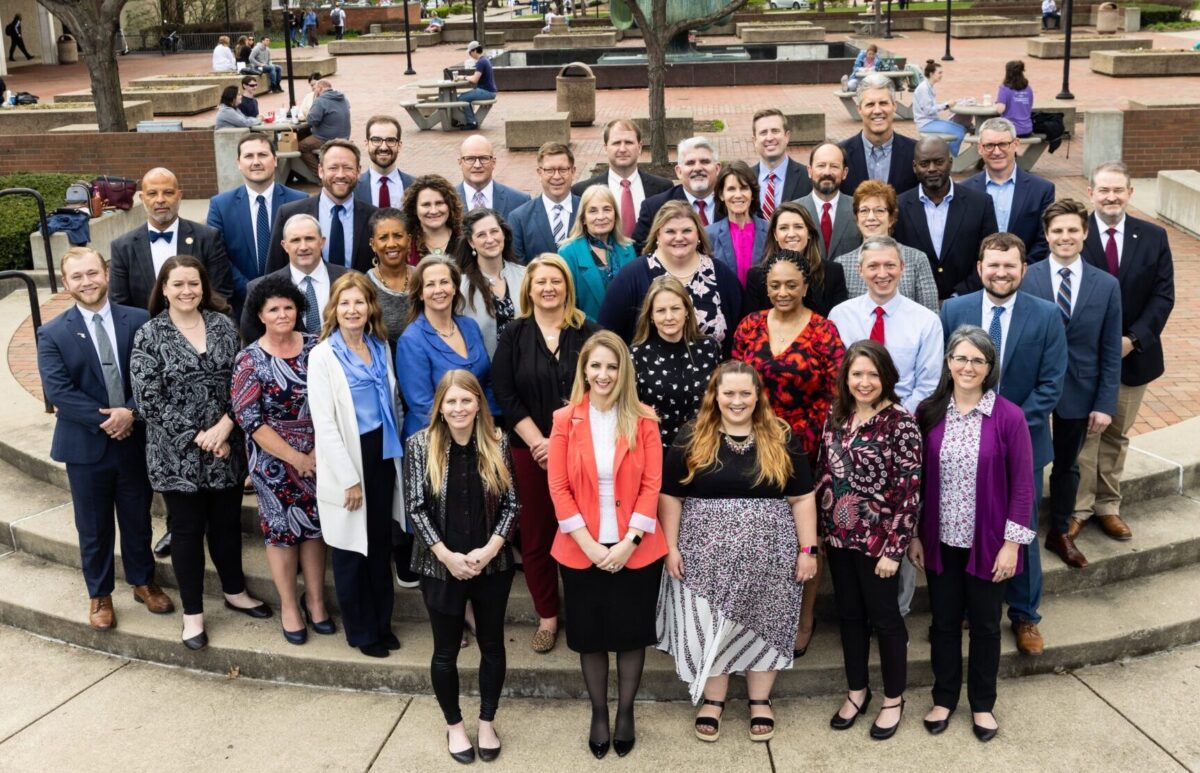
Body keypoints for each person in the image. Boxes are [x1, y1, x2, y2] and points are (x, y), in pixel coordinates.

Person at [658, 360, 819, 739]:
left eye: (745, 393)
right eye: (728, 393)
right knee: (711, 624)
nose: (736, 400)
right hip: (702, 558)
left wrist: (807, 550)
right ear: (714, 396)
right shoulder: (691, 436)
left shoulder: (779, 436)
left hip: (772, 558)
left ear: (758, 396)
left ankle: (759, 700)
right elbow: (671, 497)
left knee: (767, 624)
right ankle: (713, 699)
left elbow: (802, 498)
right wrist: (670, 548)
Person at [131, 256, 270, 651]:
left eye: (193, 283)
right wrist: (200, 436)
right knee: (188, 532)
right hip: (176, 456)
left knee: (226, 526)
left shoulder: (224, 326)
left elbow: (243, 381)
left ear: (204, 286)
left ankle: (235, 591)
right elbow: (148, 401)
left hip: (227, 447)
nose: (187, 291)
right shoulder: (149, 335)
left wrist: (227, 426)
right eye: (178, 285)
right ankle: (193, 615)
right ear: (165, 289)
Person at [940, 232, 1066, 656]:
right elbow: (946, 374)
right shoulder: (954, 310)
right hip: (960, 443)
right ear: (980, 268)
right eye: (993, 265)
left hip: (1023, 442)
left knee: (1020, 528)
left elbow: (1051, 384)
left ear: (1023, 270)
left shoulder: (1047, 315)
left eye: (1010, 265)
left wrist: (1005, 427)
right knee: (966, 523)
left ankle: (1025, 614)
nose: (1001, 272)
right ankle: (970, 607)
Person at [36, 247, 174, 630]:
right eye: (77, 276)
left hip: (135, 439)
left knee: (137, 518)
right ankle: (99, 594)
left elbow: (154, 373)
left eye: (92, 273)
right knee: (93, 526)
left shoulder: (138, 319)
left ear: (106, 274)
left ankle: (143, 581)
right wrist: (109, 420)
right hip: (86, 447)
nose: (87, 282)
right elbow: (59, 391)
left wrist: (130, 411)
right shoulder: (52, 332)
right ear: (66, 283)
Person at [910, 325, 1036, 742]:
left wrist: (1012, 545)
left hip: (989, 545)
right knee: (943, 623)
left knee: (984, 625)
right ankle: (944, 698)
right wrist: (913, 534)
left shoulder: (1009, 417)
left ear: (989, 368)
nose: (967, 366)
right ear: (948, 362)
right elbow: (915, 482)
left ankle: (982, 704)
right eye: (960, 358)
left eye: (977, 360)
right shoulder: (928, 412)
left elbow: (1022, 486)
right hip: (941, 541)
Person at [548, 331, 666, 759]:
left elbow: (653, 483)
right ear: (584, 370)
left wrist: (629, 542)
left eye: (612, 367)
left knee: (631, 635)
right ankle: (599, 712)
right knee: (590, 636)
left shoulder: (644, 418)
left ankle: (626, 713)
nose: (603, 374)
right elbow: (558, 487)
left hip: (635, 547)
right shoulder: (565, 419)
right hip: (582, 547)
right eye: (595, 366)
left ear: (623, 372)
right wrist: (590, 545)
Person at [405, 370, 518, 764]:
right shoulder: (420, 446)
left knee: (492, 646)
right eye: (451, 401)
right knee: (445, 651)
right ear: (440, 406)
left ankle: (487, 721)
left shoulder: (497, 443)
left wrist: (489, 551)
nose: (459, 408)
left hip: (492, 563)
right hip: (440, 567)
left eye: (466, 400)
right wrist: (447, 556)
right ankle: (454, 725)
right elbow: (415, 509)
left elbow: (512, 505)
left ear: (478, 404)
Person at [492, 254, 601, 652]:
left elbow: (602, 389)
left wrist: (561, 442)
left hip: (582, 450)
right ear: (529, 288)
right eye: (541, 282)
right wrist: (539, 441)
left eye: (556, 281)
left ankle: (586, 612)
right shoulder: (514, 334)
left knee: (583, 531)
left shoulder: (588, 331)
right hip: (528, 450)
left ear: (567, 286)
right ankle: (547, 617)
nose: (549, 288)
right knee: (537, 535)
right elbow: (505, 393)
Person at [818, 340, 922, 740]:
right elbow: (824, 472)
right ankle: (857, 691)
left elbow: (909, 492)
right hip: (840, 539)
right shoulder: (837, 414)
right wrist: (820, 531)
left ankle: (893, 699)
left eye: (872, 375)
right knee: (849, 617)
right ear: (846, 376)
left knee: (885, 619)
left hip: (879, 544)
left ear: (886, 378)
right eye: (856, 374)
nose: (864, 382)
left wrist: (894, 551)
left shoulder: (901, 422)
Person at [1075, 161, 1175, 542]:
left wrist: (1132, 340)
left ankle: (1108, 506)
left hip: (1134, 356)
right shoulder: (1075, 232)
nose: (1111, 197)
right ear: (1092, 192)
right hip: (1083, 358)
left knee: (1116, 432)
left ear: (1130, 193)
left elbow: (1163, 296)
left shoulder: (1153, 236)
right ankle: (1080, 507)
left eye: (1118, 190)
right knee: (1085, 432)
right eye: (1104, 190)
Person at [308, 272, 405, 658]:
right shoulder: (323, 355)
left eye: (359, 302)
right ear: (334, 308)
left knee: (380, 543)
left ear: (370, 308)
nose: (352, 310)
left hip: (383, 452)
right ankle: (362, 632)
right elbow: (325, 422)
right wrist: (349, 479)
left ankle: (383, 623)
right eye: (344, 303)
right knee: (351, 549)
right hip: (348, 457)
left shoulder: (380, 345)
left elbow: (394, 401)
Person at [232, 275, 333, 645]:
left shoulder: (316, 347)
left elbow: (334, 402)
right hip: (272, 462)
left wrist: (316, 454)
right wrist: (294, 457)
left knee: (315, 528)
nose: (282, 314)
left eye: (288, 307)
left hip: (320, 455)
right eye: (273, 308)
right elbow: (249, 419)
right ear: (260, 314)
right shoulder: (249, 358)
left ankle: (317, 601)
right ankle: (290, 606)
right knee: (282, 533)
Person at [1022, 199, 1122, 568]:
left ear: (1085, 233)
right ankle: (1022, 528)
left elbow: (1110, 349)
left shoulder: (1106, 284)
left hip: (1081, 391)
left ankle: (1060, 530)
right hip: (1031, 389)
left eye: (1072, 230)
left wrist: (1105, 402)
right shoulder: (1027, 277)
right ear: (1047, 236)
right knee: (1027, 461)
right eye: (1057, 231)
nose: (1065, 237)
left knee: (1068, 465)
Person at [600, 200, 742, 351]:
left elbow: (740, 335)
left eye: (687, 231)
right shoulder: (631, 277)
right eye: (670, 231)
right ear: (658, 236)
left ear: (699, 234)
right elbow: (608, 337)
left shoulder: (721, 274)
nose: (679, 237)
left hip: (714, 372)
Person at [828, 236, 942, 416]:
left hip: (904, 421)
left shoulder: (926, 321)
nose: (882, 274)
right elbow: (834, 375)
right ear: (860, 270)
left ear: (902, 268)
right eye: (873, 266)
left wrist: (896, 419)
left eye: (890, 265)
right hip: (850, 418)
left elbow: (928, 384)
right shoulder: (839, 316)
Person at [397, 256, 498, 440]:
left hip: (479, 434)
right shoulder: (411, 340)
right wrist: (463, 433)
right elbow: (422, 404)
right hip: (434, 439)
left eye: (444, 282)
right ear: (420, 293)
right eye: (430, 284)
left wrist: (485, 424)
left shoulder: (470, 326)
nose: (438, 290)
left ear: (454, 288)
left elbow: (488, 382)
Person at [206, 132, 308, 314]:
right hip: (240, 305)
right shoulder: (220, 206)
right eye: (248, 156)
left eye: (262, 155)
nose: (256, 162)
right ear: (238, 163)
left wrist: (280, 292)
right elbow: (218, 258)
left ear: (275, 160)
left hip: (290, 303)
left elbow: (305, 250)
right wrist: (252, 292)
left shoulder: (299, 201)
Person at [109, 168, 234, 313]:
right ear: (142, 198)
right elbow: (120, 305)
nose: (160, 200)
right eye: (152, 193)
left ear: (179, 196)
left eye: (168, 192)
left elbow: (220, 293)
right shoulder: (123, 247)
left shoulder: (208, 238)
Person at [894, 137, 999, 300]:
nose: (932, 169)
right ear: (914, 167)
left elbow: (989, 256)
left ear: (950, 162)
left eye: (938, 162)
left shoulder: (980, 203)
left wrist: (959, 296)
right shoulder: (898, 206)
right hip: (914, 304)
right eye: (924, 164)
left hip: (966, 301)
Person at [630, 275, 721, 446]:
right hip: (656, 450)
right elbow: (630, 411)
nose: (669, 317)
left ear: (687, 310)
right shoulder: (636, 355)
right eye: (661, 310)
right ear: (650, 315)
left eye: (675, 308)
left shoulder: (709, 348)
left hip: (703, 447)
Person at [266, 139, 379, 274]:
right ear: (320, 170)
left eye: (348, 167)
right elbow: (274, 273)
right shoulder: (289, 214)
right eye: (333, 168)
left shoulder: (375, 217)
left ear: (358, 171)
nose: (340, 174)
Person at [960, 117, 1057, 264]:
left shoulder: (1042, 190)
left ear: (1016, 144)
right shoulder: (964, 190)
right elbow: (962, 239)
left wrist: (1021, 270)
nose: (997, 152)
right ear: (980, 148)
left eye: (1003, 144)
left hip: (1026, 275)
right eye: (989, 145)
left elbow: (1044, 239)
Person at [834, 180, 939, 312]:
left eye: (879, 210)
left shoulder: (917, 259)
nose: (871, 217)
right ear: (857, 218)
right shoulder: (841, 264)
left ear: (891, 219)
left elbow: (931, 313)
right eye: (864, 211)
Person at [242, 214, 351, 342]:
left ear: (322, 242)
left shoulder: (350, 278)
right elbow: (251, 339)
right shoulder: (258, 287)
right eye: (295, 240)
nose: (303, 247)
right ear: (284, 246)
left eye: (309, 238)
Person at [743, 201, 849, 318]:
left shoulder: (833, 272)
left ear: (809, 232)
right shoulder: (756, 276)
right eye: (784, 228)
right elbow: (752, 325)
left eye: (798, 227)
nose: (791, 234)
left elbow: (840, 320)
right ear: (775, 235)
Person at [571, 119, 673, 239]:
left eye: (629, 142)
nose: (623, 149)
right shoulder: (581, 191)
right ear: (606, 148)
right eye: (616, 143)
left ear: (639, 147)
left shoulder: (663, 189)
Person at [558, 184, 638, 322]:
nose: (601, 217)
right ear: (583, 218)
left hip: (627, 336)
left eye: (607, 209)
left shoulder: (628, 248)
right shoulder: (568, 253)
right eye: (593, 211)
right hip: (587, 334)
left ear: (615, 215)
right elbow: (566, 305)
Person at [455, 207, 526, 357]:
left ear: (503, 234)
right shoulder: (461, 286)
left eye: (494, 231)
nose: (490, 239)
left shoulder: (526, 276)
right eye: (481, 235)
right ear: (471, 242)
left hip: (527, 369)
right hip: (484, 375)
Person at [631, 136, 720, 251]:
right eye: (690, 163)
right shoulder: (654, 207)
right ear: (679, 172)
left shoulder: (732, 204)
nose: (698, 168)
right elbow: (640, 251)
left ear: (717, 169)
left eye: (705, 161)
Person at [840, 74, 918, 196]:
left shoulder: (915, 152)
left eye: (883, 103)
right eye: (870, 104)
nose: (877, 111)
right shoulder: (841, 154)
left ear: (894, 106)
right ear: (859, 109)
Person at [508, 142, 580, 262]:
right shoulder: (519, 219)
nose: (556, 176)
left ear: (573, 171)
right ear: (539, 173)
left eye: (562, 170)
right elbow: (518, 268)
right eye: (549, 170)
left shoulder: (588, 211)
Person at [706, 161, 768, 287]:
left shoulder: (770, 230)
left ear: (752, 194)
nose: (738, 195)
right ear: (721, 195)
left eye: (744, 188)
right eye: (731, 189)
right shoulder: (708, 235)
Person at [800, 143, 862, 262]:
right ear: (809, 170)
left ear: (844, 173)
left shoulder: (859, 209)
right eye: (821, 165)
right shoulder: (794, 211)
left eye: (834, 166)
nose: (827, 172)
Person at [365, 208, 413, 348]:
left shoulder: (424, 278)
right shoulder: (365, 286)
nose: (391, 244)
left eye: (398, 235)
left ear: (409, 240)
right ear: (373, 244)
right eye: (383, 237)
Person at [751, 108, 812, 218]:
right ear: (754, 141)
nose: (769, 138)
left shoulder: (807, 177)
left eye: (775, 131)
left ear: (787, 136)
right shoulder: (745, 178)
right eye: (763, 132)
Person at [456, 134, 532, 219]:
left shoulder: (520, 201)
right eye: (470, 159)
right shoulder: (446, 200)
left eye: (484, 158)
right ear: (460, 163)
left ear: (493, 163)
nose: (477, 165)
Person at [354, 115, 415, 209]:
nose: (383, 147)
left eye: (390, 140)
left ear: (399, 146)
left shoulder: (414, 185)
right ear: (367, 144)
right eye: (376, 140)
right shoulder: (353, 187)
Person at [401, 174, 463, 265]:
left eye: (439, 203)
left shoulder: (465, 240)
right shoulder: (406, 244)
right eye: (426, 205)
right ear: (414, 209)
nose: (433, 211)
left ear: (450, 205)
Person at [913, 60, 970, 157]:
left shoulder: (929, 86)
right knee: (959, 132)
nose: (941, 75)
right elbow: (928, 111)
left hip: (932, 121)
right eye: (939, 72)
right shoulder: (924, 88)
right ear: (931, 74)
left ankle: (949, 156)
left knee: (963, 128)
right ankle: (951, 159)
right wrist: (946, 105)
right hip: (925, 123)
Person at [299, 80, 352, 176]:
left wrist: (308, 114)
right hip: (344, 136)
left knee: (302, 146)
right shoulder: (343, 98)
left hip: (327, 138)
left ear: (320, 88)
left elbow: (312, 121)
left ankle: (320, 175)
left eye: (315, 89)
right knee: (304, 134)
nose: (314, 92)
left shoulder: (321, 100)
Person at [459, 42, 498, 131]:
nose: (470, 54)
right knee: (465, 96)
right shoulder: (484, 60)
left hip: (486, 92)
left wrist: (463, 77)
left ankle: (471, 122)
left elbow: (474, 79)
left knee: (462, 98)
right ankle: (470, 119)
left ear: (475, 51)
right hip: (490, 91)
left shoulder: (481, 62)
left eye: (470, 52)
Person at [995, 60, 1034, 138]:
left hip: (1010, 130)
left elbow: (1000, 109)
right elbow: (1029, 106)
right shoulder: (1028, 88)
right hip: (1027, 129)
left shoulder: (1004, 88)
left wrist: (996, 103)